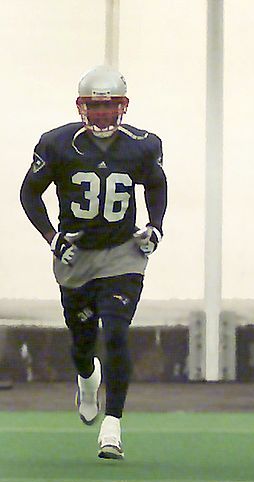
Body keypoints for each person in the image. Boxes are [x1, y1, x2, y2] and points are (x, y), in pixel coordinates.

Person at [19, 65, 167, 460]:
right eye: (95, 107)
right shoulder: (57, 144)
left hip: (123, 251)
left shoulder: (143, 144)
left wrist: (155, 225)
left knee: (116, 333)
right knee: (82, 341)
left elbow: (155, 183)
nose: (103, 114)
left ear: (123, 107)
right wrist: (53, 238)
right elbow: (29, 193)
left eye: (110, 106)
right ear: (82, 107)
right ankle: (87, 377)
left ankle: (113, 426)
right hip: (77, 254)